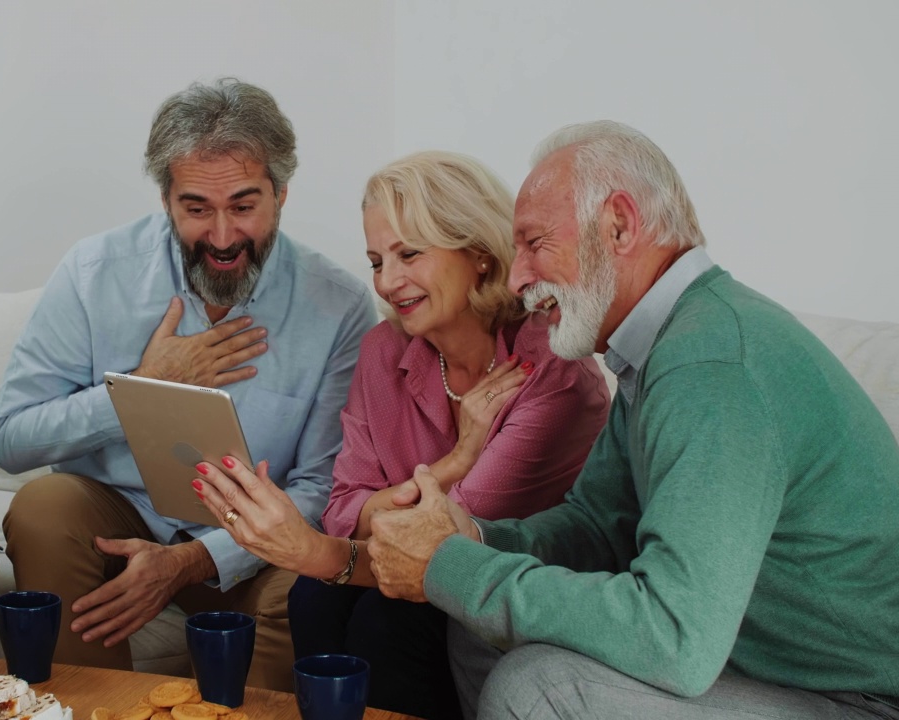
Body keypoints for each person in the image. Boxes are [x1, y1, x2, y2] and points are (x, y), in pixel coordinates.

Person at [364, 121, 899, 720]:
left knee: (538, 685)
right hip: (751, 668)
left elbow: (675, 638)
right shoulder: (664, 347)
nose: (516, 278)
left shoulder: (713, 365)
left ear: (618, 223)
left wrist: (452, 566)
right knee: (473, 621)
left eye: (535, 243)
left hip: (855, 699)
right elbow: (599, 528)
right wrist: (474, 541)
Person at [193, 151, 610, 719]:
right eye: (375, 261)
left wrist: (371, 514)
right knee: (313, 596)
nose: (387, 283)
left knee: (384, 615)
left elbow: (445, 537)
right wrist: (457, 459)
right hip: (413, 576)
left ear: (480, 256)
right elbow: (343, 509)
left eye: (409, 254)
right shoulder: (384, 351)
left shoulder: (553, 366)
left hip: (506, 589)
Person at [0, 78, 376, 691]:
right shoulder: (95, 273)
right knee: (44, 508)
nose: (222, 237)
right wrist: (143, 386)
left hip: (255, 545)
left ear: (281, 194)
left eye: (244, 206)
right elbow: (11, 439)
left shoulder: (341, 306)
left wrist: (194, 560)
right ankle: (92, 707)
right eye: (197, 209)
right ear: (166, 198)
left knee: (305, 583)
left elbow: (322, 484)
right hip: (121, 519)